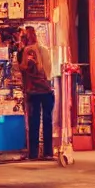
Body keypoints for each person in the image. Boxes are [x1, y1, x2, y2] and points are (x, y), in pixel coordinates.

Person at [20, 27, 54, 160]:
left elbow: (25, 67)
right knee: (47, 121)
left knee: (34, 122)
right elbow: (48, 69)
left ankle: (33, 153)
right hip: (46, 89)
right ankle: (48, 152)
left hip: (34, 90)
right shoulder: (44, 49)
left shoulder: (27, 51)